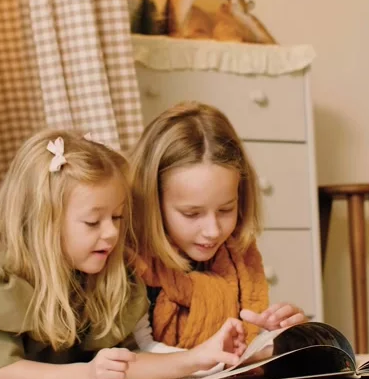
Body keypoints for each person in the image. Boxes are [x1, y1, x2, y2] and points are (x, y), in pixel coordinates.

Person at [0, 129, 246, 379]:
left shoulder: (107, 278)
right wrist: (87, 374)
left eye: (117, 218)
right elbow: (7, 372)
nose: (112, 234)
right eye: (92, 222)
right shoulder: (1, 283)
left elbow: (124, 364)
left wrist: (199, 358)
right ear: (44, 223)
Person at [129, 102, 306, 349]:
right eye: (191, 214)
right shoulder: (132, 265)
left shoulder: (237, 257)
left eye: (226, 210)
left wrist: (279, 337)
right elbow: (134, 356)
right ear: (152, 203)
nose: (213, 231)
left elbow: (246, 348)